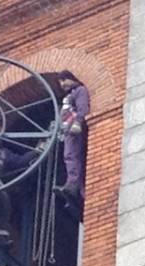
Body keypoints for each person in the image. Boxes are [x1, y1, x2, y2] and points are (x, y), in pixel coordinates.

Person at [55, 70, 90, 200]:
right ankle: (79, 190)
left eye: (64, 80)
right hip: (67, 130)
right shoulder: (68, 96)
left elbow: (82, 107)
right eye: (60, 82)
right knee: (69, 156)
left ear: (71, 78)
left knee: (71, 155)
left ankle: (73, 184)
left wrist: (78, 122)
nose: (62, 84)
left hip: (73, 129)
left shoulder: (79, 90)